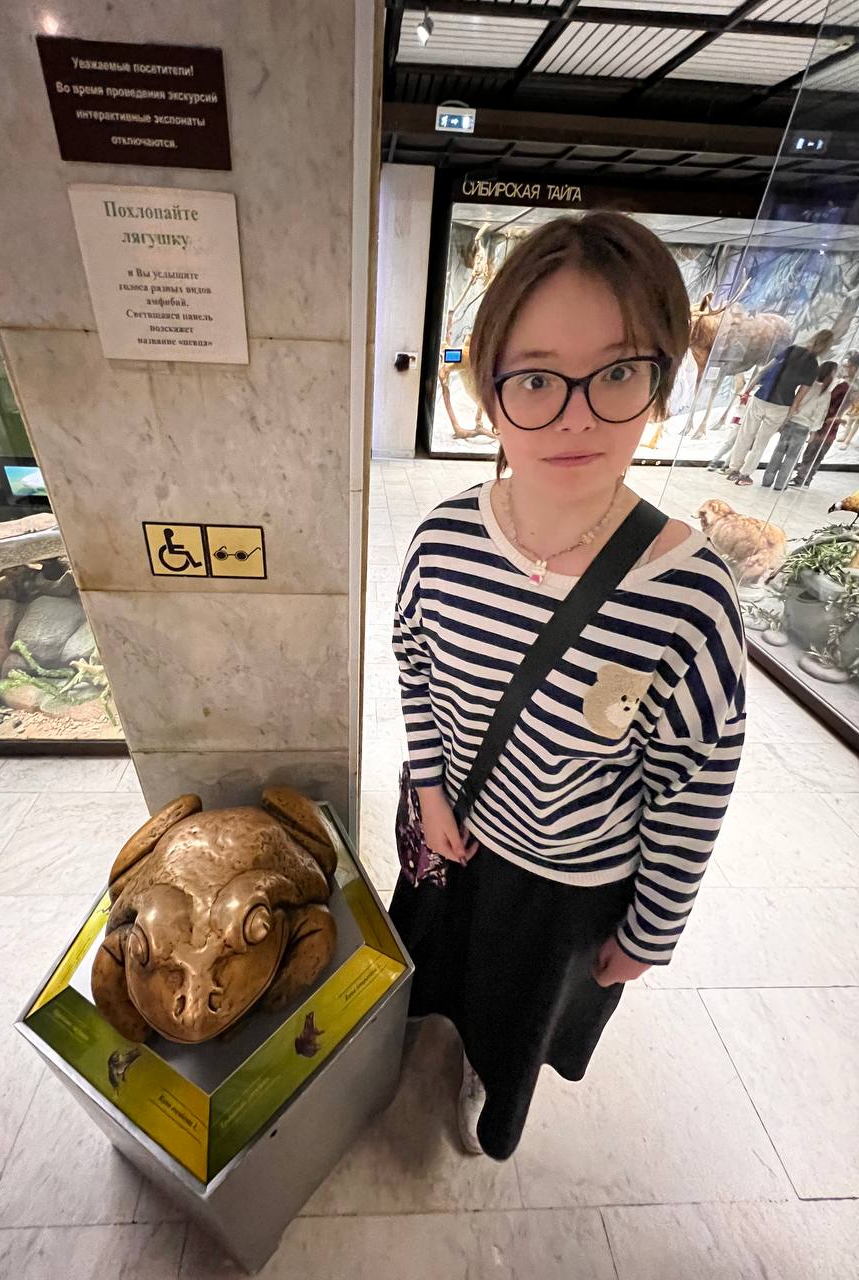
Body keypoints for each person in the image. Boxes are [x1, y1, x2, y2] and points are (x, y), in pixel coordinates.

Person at [390, 212, 746, 1162]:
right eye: (538, 378)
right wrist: (429, 790)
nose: (577, 416)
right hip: (452, 836)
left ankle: (488, 1101)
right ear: (490, 389)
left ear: (661, 381)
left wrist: (653, 928)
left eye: (618, 373)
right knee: (432, 974)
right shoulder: (443, 540)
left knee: (515, 1025)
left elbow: (693, 784)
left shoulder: (690, 595)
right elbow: (415, 668)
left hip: (565, 881)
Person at [725, 328, 834, 486]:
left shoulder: (791, 350)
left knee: (745, 434)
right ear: (826, 347)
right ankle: (745, 475)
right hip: (782, 405)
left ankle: (733, 469)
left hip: (761, 397)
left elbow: (763, 371)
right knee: (761, 442)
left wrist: (747, 391)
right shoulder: (813, 367)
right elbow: (799, 397)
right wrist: (788, 417)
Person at [763, 361, 837, 491]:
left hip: (791, 422)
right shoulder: (825, 392)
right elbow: (819, 414)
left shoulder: (807, 385)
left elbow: (794, 402)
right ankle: (780, 484)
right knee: (791, 457)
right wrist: (814, 430)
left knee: (778, 452)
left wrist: (785, 420)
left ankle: (767, 480)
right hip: (803, 427)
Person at [791, 351, 859, 486]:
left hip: (826, 422)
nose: (846, 368)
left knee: (813, 452)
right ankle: (805, 478)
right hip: (831, 424)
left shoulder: (845, 386)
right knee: (818, 453)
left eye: (849, 366)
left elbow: (829, 403)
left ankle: (802, 478)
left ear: (854, 367)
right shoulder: (849, 386)